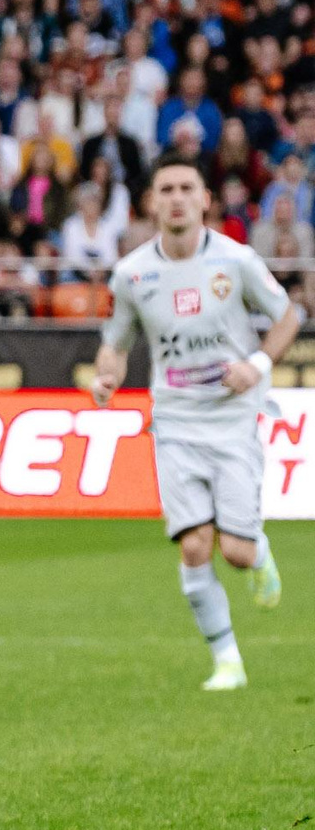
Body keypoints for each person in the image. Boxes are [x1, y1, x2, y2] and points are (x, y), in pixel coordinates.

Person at [92, 157, 298, 691]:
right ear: (152, 203)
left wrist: (257, 366)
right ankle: (227, 660)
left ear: (206, 199)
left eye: (187, 188)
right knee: (193, 545)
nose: (177, 197)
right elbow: (115, 344)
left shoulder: (236, 260)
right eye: (167, 189)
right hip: (176, 421)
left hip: (233, 417)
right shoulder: (133, 273)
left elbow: (289, 316)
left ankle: (258, 552)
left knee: (234, 551)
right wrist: (106, 380)